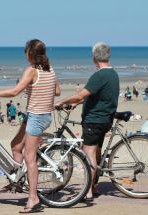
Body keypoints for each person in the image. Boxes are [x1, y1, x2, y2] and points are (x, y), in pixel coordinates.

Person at [0, 39, 60, 213]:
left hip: (37, 117)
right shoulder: (50, 69)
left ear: (30, 53)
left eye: (26, 51)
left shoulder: (32, 70)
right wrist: (40, 91)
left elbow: (15, 91)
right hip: (38, 115)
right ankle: (16, 182)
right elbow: (57, 92)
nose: (25, 55)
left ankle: (33, 197)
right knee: (16, 146)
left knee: (29, 158)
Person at [55, 42, 119, 201]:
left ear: (94, 58)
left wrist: (62, 101)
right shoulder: (113, 74)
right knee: (96, 153)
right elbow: (97, 97)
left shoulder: (99, 75)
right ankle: (95, 186)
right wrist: (76, 103)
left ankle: (88, 190)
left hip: (94, 121)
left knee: (88, 154)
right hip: (105, 119)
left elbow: (81, 94)